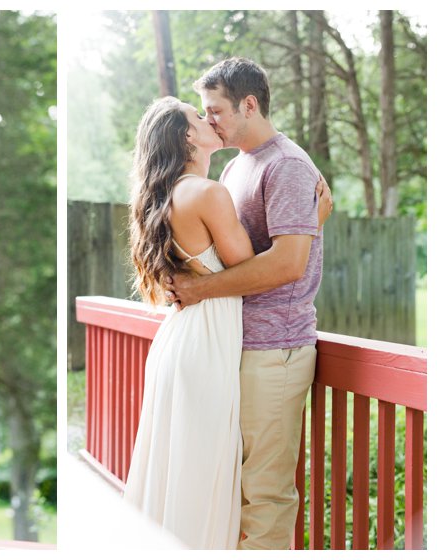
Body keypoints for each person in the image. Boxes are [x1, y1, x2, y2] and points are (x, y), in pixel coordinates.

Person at [169, 57, 331, 550]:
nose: (208, 119)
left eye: (214, 109)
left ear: (249, 104)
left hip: (274, 351)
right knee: (228, 487)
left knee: (265, 495)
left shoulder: (286, 166)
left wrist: (197, 291)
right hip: (236, 345)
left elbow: (287, 266)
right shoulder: (239, 166)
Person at [121, 96, 253, 549]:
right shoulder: (207, 193)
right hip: (204, 345)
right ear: (187, 137)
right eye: (199, 116)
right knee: (200, 474)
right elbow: (249, 267)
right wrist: (309, 224)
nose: (208, 117)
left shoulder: (165, 196)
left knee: (178, 470)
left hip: (181, 341)